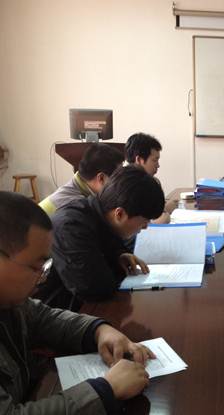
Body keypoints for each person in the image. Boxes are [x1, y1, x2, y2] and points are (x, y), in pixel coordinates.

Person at [0, 190, 152, 413]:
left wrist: (99, 331)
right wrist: (105, 390)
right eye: (36, 267)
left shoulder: (10, 302)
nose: (41, 279)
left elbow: (43, 318)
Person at [34, 165, 165, 310]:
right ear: (119, 214)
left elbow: (110, 251)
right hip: (56, 311)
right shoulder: (71, 227)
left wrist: (119, 255)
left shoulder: (101, 217)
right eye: (144, 221)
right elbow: (94, 288)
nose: (145, 227)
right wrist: (115, 266)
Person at [39, 143, 124, 216]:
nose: (119, 184)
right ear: (101, 178)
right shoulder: (77, 206)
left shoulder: (75, 188)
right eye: (117, 178)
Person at [124, 133, 177, 223]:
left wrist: (164, 209)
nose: (158, 165)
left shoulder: (150, 182)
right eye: (154, 160)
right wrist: (156, 222)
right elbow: (129, 223)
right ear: (139, 160)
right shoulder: (126, 186)